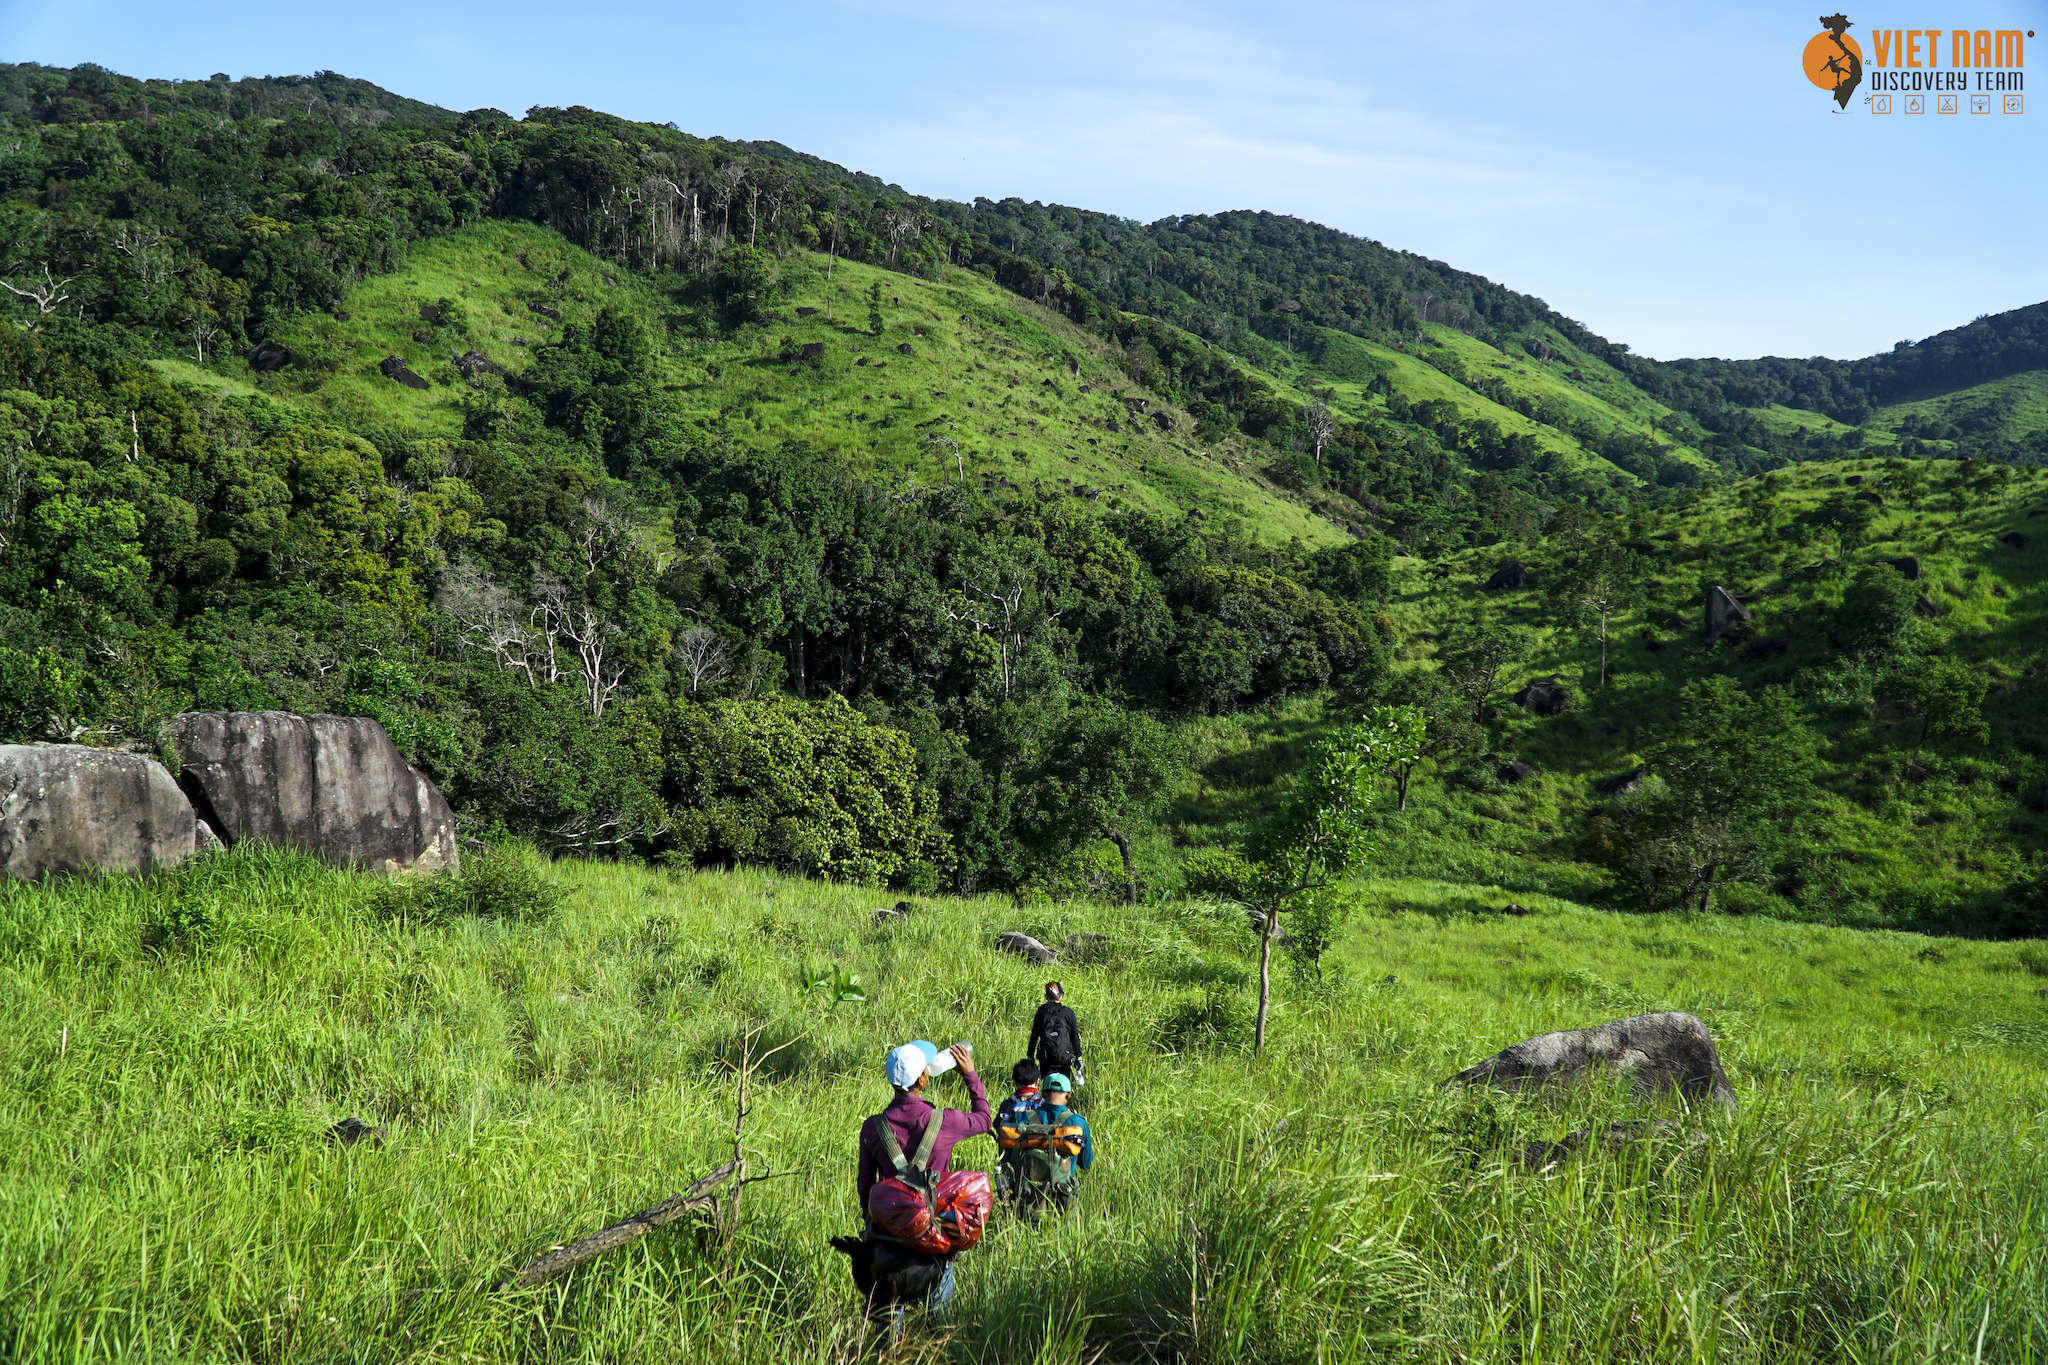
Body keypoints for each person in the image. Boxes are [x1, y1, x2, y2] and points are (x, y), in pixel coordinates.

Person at [855, 1040, 990, 1311]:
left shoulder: (873, 1127)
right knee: (938, 1324)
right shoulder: (945, 1121)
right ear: (922, 1079)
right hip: (933, 1237)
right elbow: (984, 1119)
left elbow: (865, 1188)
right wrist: (969, 1074)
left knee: (889, 1322)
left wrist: (874, 1224)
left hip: (888, 1238)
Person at [1026, 981, 1082, 1086]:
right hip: (1064, 1057)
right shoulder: (1068, 1013)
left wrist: (1030, 1055)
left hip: (1046, 1057)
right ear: (1060, 996)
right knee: (1064, 1085)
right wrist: (1078, 1056)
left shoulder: (1042, 1012)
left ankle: (1047, 1101)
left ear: (1046, 996)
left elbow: (1034, 1036)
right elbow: (1075, 1037)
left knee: (1047, 1085)